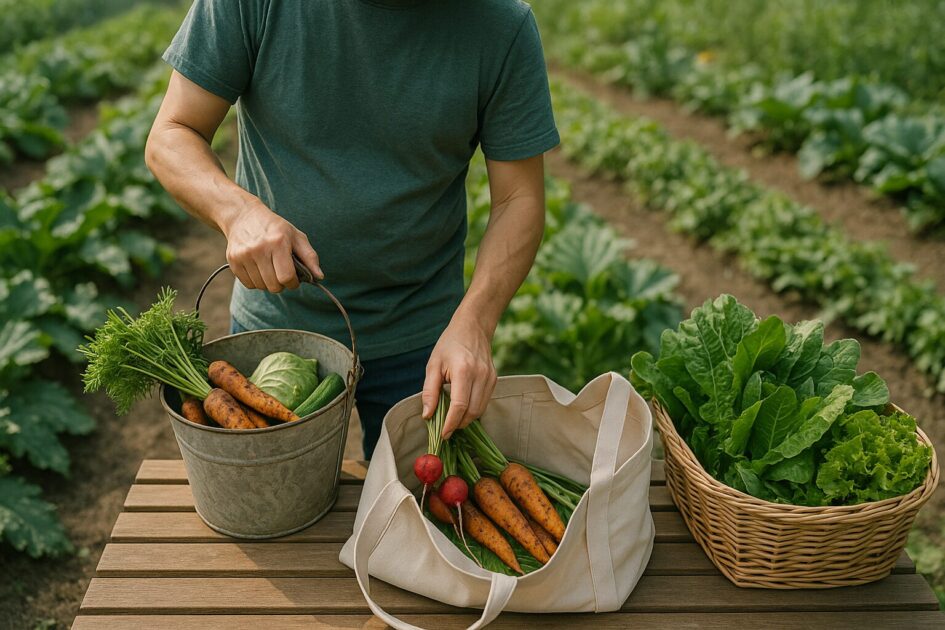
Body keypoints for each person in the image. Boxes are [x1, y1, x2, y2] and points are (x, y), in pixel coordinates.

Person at [145, 0, 558, 459]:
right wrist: (238, 213)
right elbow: (173, 132)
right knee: (275, 507)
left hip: (426, 339)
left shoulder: (500, 24)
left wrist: (476, 323)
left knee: (421, 510)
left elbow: (517, 198)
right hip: (278, 328)